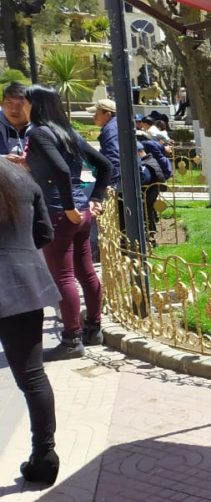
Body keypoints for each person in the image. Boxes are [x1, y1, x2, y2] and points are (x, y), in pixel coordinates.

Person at [23, 85, 113, 360]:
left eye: (25, 102)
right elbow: (104, 165)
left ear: (35, 105)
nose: (22, 107)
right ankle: (94, 329)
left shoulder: (39, 133)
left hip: (59, 213)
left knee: (62, 277)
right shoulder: (67, 132)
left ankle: (72, 340)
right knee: (85, 272)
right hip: (80, 214)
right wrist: (93, 199)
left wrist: (69, 205)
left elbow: (61, 170)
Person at [0, 159, 61, 486]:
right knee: (33, 376)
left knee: (33, 377)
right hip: (23, 283)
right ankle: (45, 455)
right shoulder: (21, 176)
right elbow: (44, 233)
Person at [89, 98, 120, 263]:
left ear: (107, 114)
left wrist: (108, 183)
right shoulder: (113, 126)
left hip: (114, 181)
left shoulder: (110, 130)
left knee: (100, 214)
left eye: (96, 113)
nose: (94, 117)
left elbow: (113, 159)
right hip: (117, 179)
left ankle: (100, 254)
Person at [138, 142, 166, 239]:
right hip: (151, 193)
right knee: (149, 212)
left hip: (147, 195)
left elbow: (144, 179)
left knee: (147, 212)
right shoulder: (150, 160)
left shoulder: (146, 164)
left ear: (139, 153)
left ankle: (149, 233)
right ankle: (151, 230)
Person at [1, 82, 31, 156]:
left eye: (20, 104)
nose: (14, 110)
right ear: (2, 103)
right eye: (9, 102)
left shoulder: (39, 127)